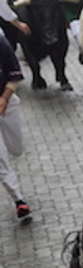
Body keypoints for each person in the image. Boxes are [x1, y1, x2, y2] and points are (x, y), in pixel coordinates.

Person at [0, 33, 29, 222]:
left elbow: (14, 72)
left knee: (16, 149)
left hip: (7, 101)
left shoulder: (1, 41)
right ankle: (19, 199)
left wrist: (4, 98)